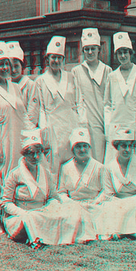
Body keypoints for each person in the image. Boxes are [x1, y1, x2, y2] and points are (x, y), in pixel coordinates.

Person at [1, 129, 96, 247]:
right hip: (22, 217)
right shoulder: (15, 174)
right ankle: (36, 239)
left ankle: (75, 236)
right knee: (33, 217)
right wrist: (23, 213)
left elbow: (53, 196)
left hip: (43, 213)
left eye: (39, 152)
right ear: (24, 154)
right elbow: (6, 203)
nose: (35, 157)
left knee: (73, 208)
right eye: (31, 153)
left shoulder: (46, 173)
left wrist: (53, 206)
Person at [0, 41, 33, 235]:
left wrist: (30, 138)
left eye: (7, 64)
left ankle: (11, 216)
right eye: (0, 65)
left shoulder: (16, 87)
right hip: (0, 140)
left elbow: (24, 115)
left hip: (16, 138)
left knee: (14, 177)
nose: (4, 68)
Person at [34, 36, 87, 177]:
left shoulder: (71, 77)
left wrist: (82, 124)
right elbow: (41, 108)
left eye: (59, 58)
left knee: (72, 158)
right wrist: (44, 129)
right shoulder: (40, 81)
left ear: (63, 60)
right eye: (53, 57)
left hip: (71, 124)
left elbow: (79, 102)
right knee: (54, 160)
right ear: (47, 59)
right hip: (53, 127)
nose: (56, 61)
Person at [104, 32, 136, 167]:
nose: (123, 56)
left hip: (135, 123)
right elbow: (107, 104)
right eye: (120, 53)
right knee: (115, 161)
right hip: (117, 122)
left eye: (125, 52)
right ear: (116, 55)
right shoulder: (112, 76)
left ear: (131, 53)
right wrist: (108, 124)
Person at [72, 28, 112, 163]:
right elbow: (77, 100)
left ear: (98, 50)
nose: (90, 52)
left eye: (93, 49)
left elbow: (110, 101)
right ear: (82, 51)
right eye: (86, 49)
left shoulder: (107, 70)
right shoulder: (77, 71)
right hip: (86, 123)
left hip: (105, 122)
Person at [58, 127, 105, 235]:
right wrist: (71, 203)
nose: (82, 150)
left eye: (85, 146)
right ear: (73, 149)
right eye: (78, 147)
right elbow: (61, 192)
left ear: (89, 147)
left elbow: (106, 191)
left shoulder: (99, 167)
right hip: (73, 206)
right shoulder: (65, 167)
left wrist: (96, 201)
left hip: (94, 206)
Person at [6, 41, 38, 126]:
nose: (13, 70)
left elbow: (32, 114)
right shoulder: (5, 85)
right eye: (10, 67)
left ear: (22, 66)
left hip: (25, 131)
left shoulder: (30, 85)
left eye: (16, 66)